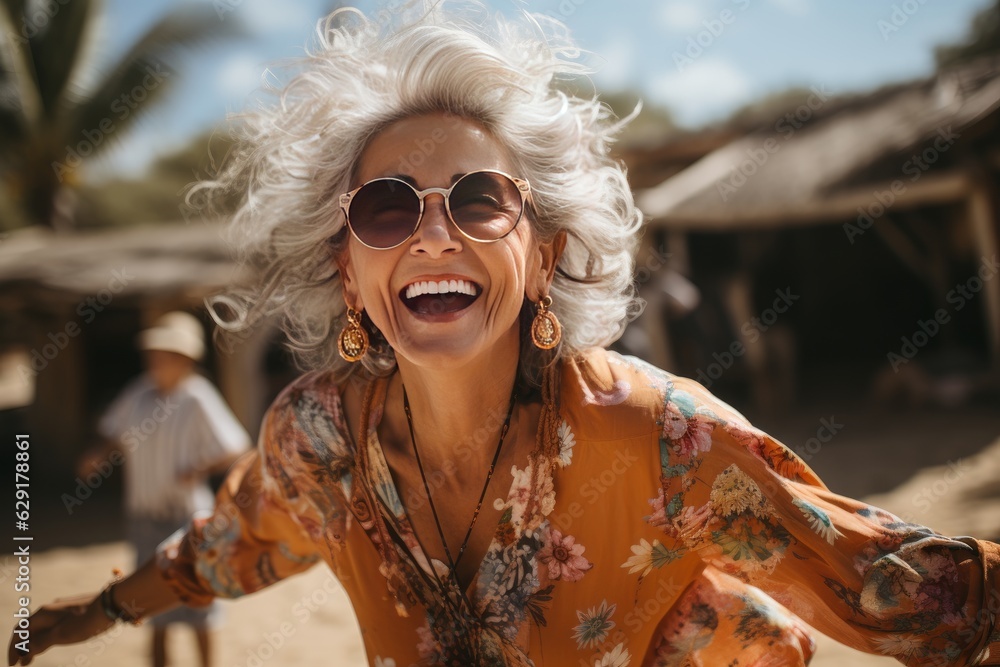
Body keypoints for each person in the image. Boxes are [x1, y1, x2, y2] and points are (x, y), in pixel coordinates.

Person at [9, 5, 999, 666]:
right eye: (387, 209)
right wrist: (93, 612)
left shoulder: (654, 433)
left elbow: (882, 575)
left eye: (480, 200)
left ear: (543, 254)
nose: (433, 229)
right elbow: (229, 546)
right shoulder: (317, 442)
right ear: (346, 274)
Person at [74, 311, 252, 667]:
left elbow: (237, 445)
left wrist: (199, 467)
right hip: (145, 517)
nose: (157, 361)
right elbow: (114, 433)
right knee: (151, 609)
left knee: (198, 605)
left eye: (167, 355)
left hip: (188, 519)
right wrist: (98, 455)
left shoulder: (198, 397)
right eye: (154, 354)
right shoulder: (138, 394)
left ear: (185, 361)